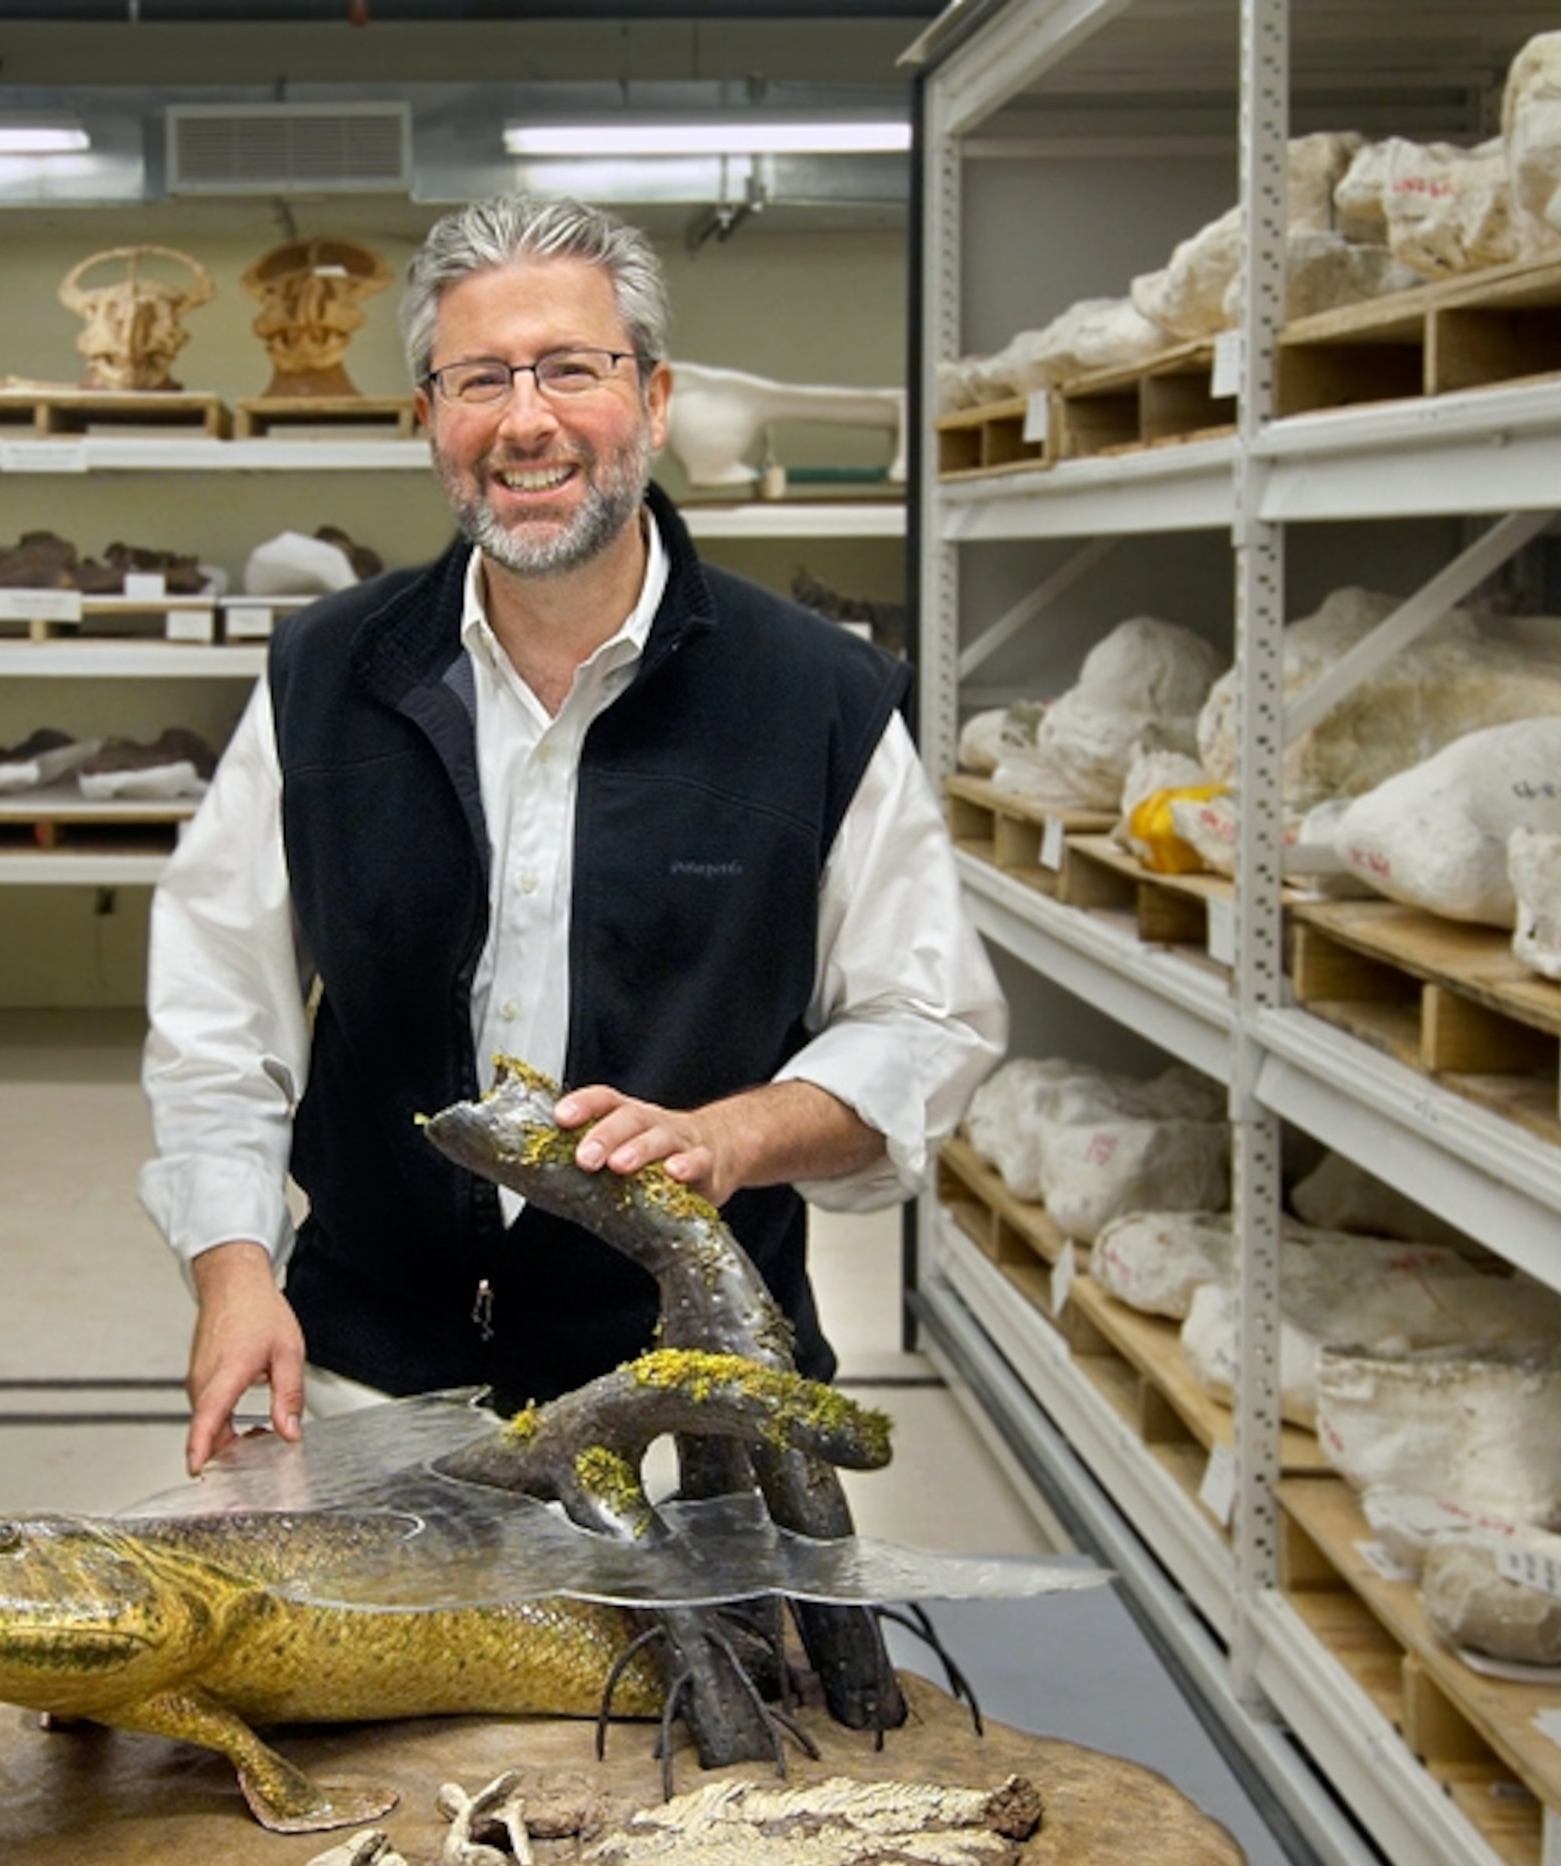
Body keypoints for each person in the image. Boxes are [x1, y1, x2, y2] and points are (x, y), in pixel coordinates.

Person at [141, 191, 1005, 1473]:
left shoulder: (815, 694)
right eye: (477, 378)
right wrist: (231, 1271)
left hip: (697, 1403)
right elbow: (221, 1018)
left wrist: (731, 1136)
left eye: (571, 369)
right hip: (371, 1391)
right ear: (428, 419)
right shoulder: (322, 678)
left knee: (717, 1678)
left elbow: (929, 1025)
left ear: (652, 401)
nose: (526, 419)